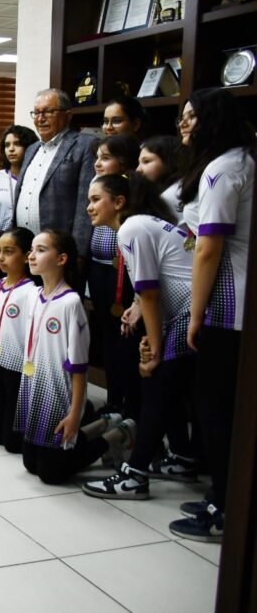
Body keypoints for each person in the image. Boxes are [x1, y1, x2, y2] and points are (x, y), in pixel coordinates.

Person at [172, 88, 255, 542]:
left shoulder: (223, 168)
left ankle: (224, 507)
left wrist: (195, 313)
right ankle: (222, 495)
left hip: (226, 306)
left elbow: (208, 248)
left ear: (214, 120)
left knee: (216, 407)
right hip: (237, 304)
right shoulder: (243, 160)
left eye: (192, 117)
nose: (183, 124)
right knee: (218, 406)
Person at [83, 173, 196, 501]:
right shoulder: (142, 223)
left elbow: (150, 293)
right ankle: (183, 456)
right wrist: (142, 318)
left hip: (189, 314)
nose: (89, 207)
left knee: (155, 384)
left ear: (119, 202)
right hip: (185, 314)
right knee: (165, 387)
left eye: (95, 199)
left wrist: (154, 351)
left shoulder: (131, 228)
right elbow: (151, 288)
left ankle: (135, 475)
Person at [16, 229, 134, 485]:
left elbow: (79, 368)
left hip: (61, 396)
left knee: (51, 474)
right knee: (31, 465)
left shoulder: (70, 303)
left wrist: (74, 415)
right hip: (36, 388)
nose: (31, 256)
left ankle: (118, 434)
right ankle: (101, 424)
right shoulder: (33, 295)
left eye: (41, 250)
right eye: (31, 250)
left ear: (61, 259)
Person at [14, 88, 98, 269]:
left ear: (67, 115)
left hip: (60, 253)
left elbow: (85, 202)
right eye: (36, 113)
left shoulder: (84, 145)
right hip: (25, 251)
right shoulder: (31, 149)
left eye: (48, 112)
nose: (40, 118)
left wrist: (78, 253)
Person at [88, 134, 141, 418]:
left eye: (105, 157)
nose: (98, 163)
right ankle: (113, 398)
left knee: (127, 336)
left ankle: (130, 402)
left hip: (125, 271)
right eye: (97, 157)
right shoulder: (97, 187)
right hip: (99, 269)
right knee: (107, 336)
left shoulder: (131, 192)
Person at [0, 226, 37, 453]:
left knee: (12, 443)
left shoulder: (31, 291)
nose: (1, 257)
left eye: (9, 252)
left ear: (26, 256)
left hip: (16, 364)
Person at [0, 124, 36, 233]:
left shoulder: (37, 179)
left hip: (28, 239)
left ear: (30, 147)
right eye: (7, 145)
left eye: (17, 144)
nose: (11, 149)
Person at [136, 135, 184, 228]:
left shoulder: (171, 195)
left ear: (169, 161)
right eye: (139, 163)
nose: (138, 170)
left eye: (146, 161)